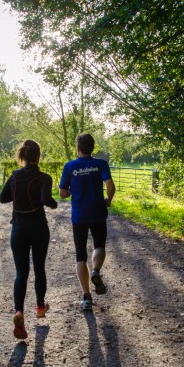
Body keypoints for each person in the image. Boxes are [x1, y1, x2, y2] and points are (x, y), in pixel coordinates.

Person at [0, 140, 58, 339]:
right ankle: (40, 307)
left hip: (18, 229)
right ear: (38, 156)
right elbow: (45, 200)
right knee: (39, 268)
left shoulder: (14, 176)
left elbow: (3, 198)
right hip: (38, 228)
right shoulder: (44, 178)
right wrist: (54, 204)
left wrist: (19, 193)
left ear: (22, 156)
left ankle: (18, 312)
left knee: (21, 273)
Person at [59, 133, 115, 311]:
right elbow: (110, 185)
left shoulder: (70, 166)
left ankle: (87, 298)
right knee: (99, 245)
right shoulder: (100, 164)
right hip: (98, 212)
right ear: (92, 147)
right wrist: (109, 199)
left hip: (79, 216)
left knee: (80, 255)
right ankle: (96, 271)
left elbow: (62, 193)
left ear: (78, 148)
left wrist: (70, 192)